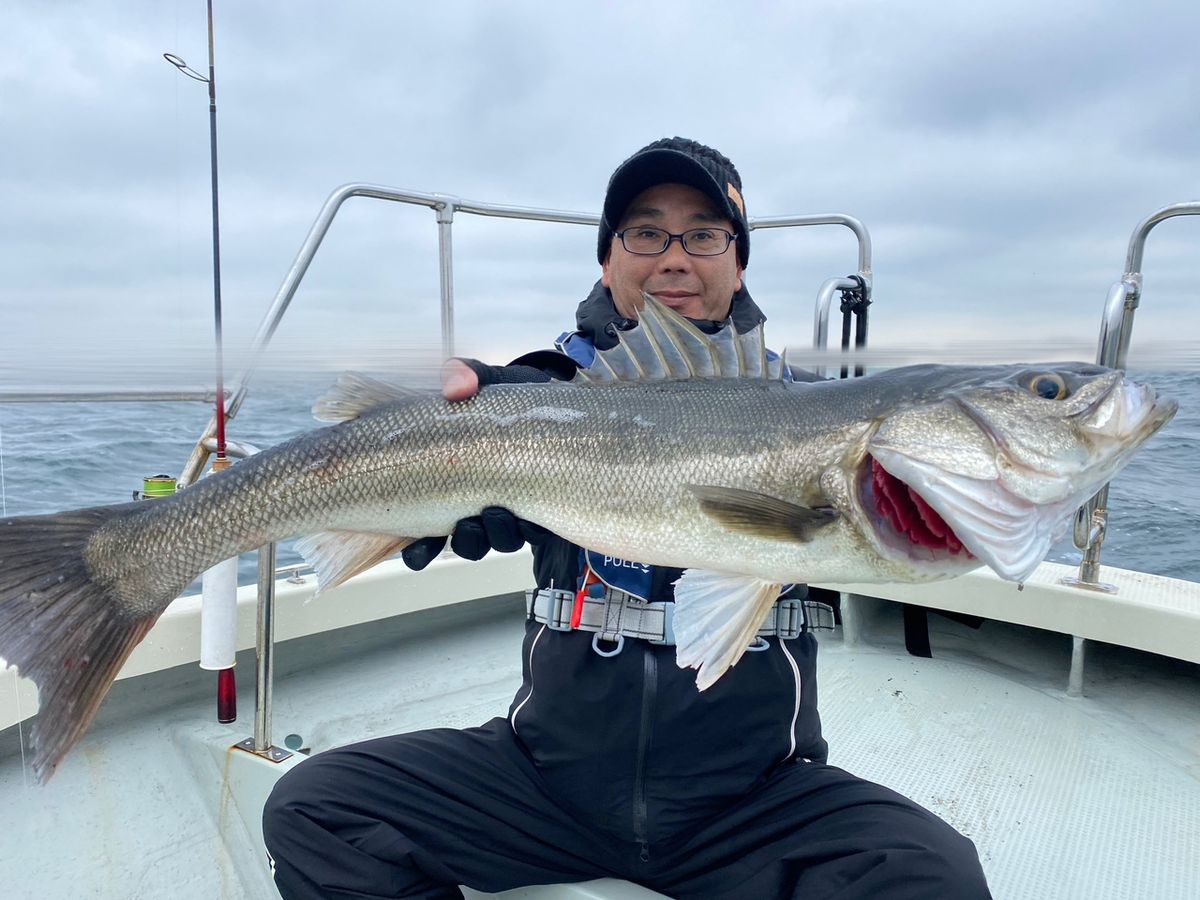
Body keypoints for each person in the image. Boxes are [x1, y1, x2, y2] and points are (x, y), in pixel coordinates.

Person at [262, 137, 992, 899]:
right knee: (315, 809)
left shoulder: (821, 419)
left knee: (935, 878)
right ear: (608, 260)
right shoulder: (542, 396)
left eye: (705, 234)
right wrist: (452, 453)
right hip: (543, 786)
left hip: (753, 801)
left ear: (738, 262)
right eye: (645, 232)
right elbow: (509, 405)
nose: (674, 257)